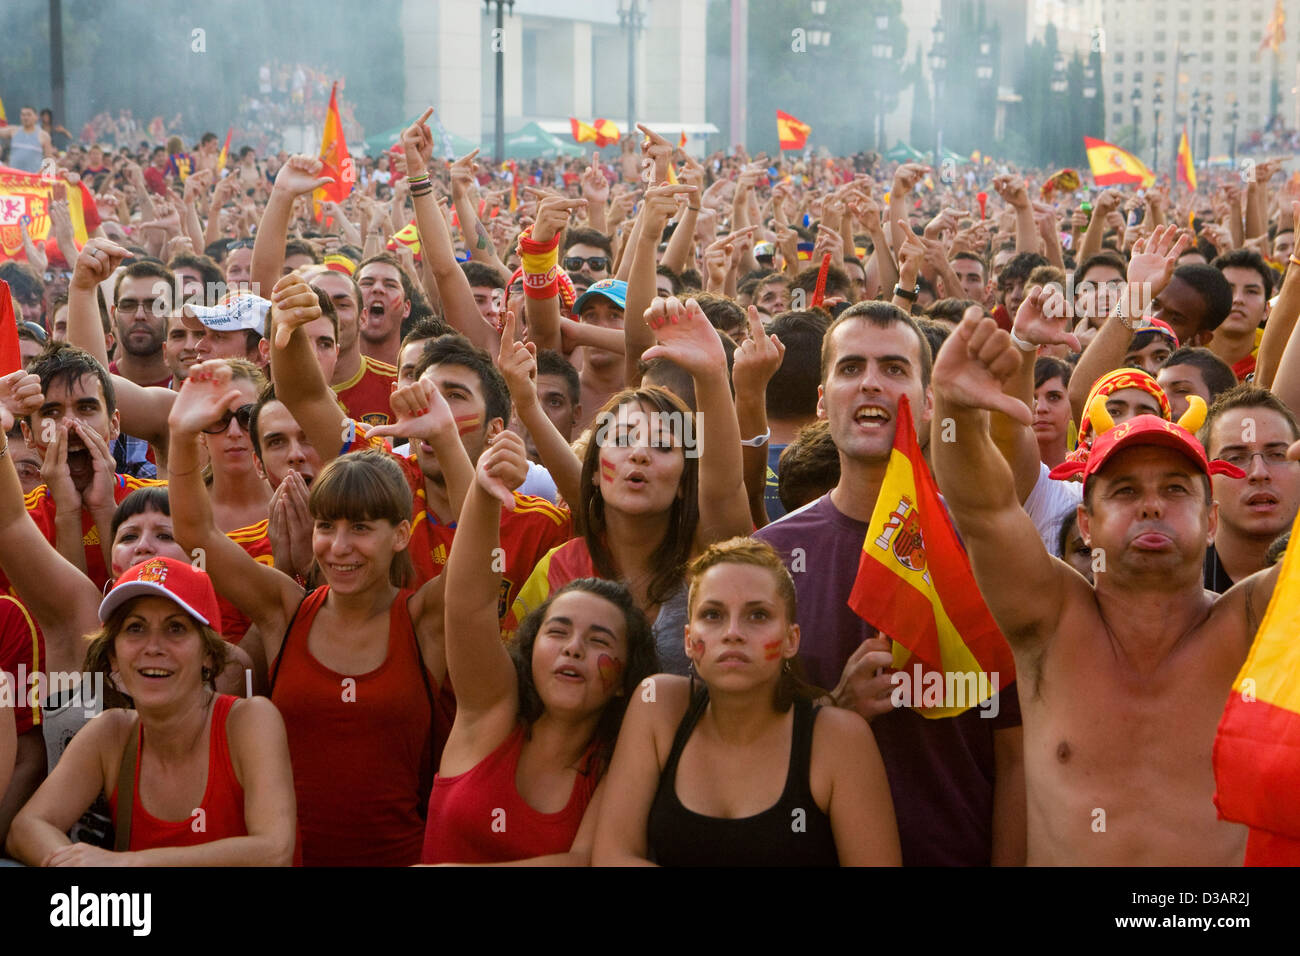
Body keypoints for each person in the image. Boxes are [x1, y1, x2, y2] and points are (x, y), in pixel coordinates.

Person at [929, 305, 1281, 864]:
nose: (1150, 506)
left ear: (1211, 519)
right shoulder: (1051, 620)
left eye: (1176, 489)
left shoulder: (1255, 624)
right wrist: (952, 408)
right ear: (1085, 523)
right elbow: (984, 509)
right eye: (1123, 492)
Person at [754, 300, 1025, 867]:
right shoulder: (770, 558)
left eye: (895, 369)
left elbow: (1016, 751)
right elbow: (742, 740)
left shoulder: (984, 549)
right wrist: (836, 710)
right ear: (823, 402)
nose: (871, 384)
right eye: (851, 368)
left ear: (930, 403)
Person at [168, 353, 450, 867]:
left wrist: (447, 440)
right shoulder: (285, 608)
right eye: (327, 527)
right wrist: (183, 437)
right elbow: (195, 534)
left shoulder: (424, 619)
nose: (339, 546)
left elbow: (479, 552)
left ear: (400, 536)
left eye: (361, 528)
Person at [421, 428, 658, 864]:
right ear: (528, 650)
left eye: (598, 640)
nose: (573, 649)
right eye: (557, 631)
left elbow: (583, 861)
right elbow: (468, 604)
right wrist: (485, 491)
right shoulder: (490, 709)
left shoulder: (617, 764)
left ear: (626, 677)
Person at [592, 537, 900, 866]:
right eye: (713, 615)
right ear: (688, 640)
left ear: (791, 640)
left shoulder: (840, 738)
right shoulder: (658, 705)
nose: (733, 632)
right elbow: (612, 855)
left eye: (757, 615)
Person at [507, 297, 752, 674]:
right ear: (593, 470)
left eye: (663, 445)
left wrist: (713, 374)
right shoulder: (558, 567)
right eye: (621, 439)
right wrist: (527, 408)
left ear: (687, 482)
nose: (639, 454)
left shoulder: (709, 558)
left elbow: (724, 488)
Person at [5, 556, 297, 866]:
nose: (153, 647)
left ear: (209, 655)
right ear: (114, 657)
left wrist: (127, 864)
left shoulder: (250, 721)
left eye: (175, 628)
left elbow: (274, 851)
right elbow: (26, 828)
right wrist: (78, 864)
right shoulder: (112, 733)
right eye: (135, 628)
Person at [1198, 384, 1300, 592]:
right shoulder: (1173, 577)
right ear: (1204, 479)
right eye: (1235, 458)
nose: (1259, 473)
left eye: (1277, 454)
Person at [0, 106, 53, 173]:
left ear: (36, 117)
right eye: (23, 115)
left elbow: (49, 160)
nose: (25, 117)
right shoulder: (13, 130)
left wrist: (39, 173)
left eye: (29, 114)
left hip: (32, 179)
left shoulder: (43, 135)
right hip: (13, 178)